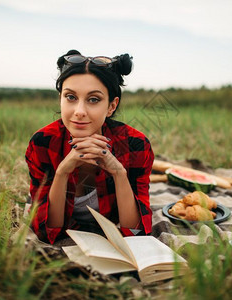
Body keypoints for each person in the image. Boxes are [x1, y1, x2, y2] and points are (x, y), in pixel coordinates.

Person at [25, 50, 154, 244]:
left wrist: (118, 172)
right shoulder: (42, 143)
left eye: (93, 99)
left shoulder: (136, 145)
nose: (79, 112)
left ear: (111, 106)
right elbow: (47, 232)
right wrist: (62, 171)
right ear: (60, 98)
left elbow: (136, 232)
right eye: (70, 97)